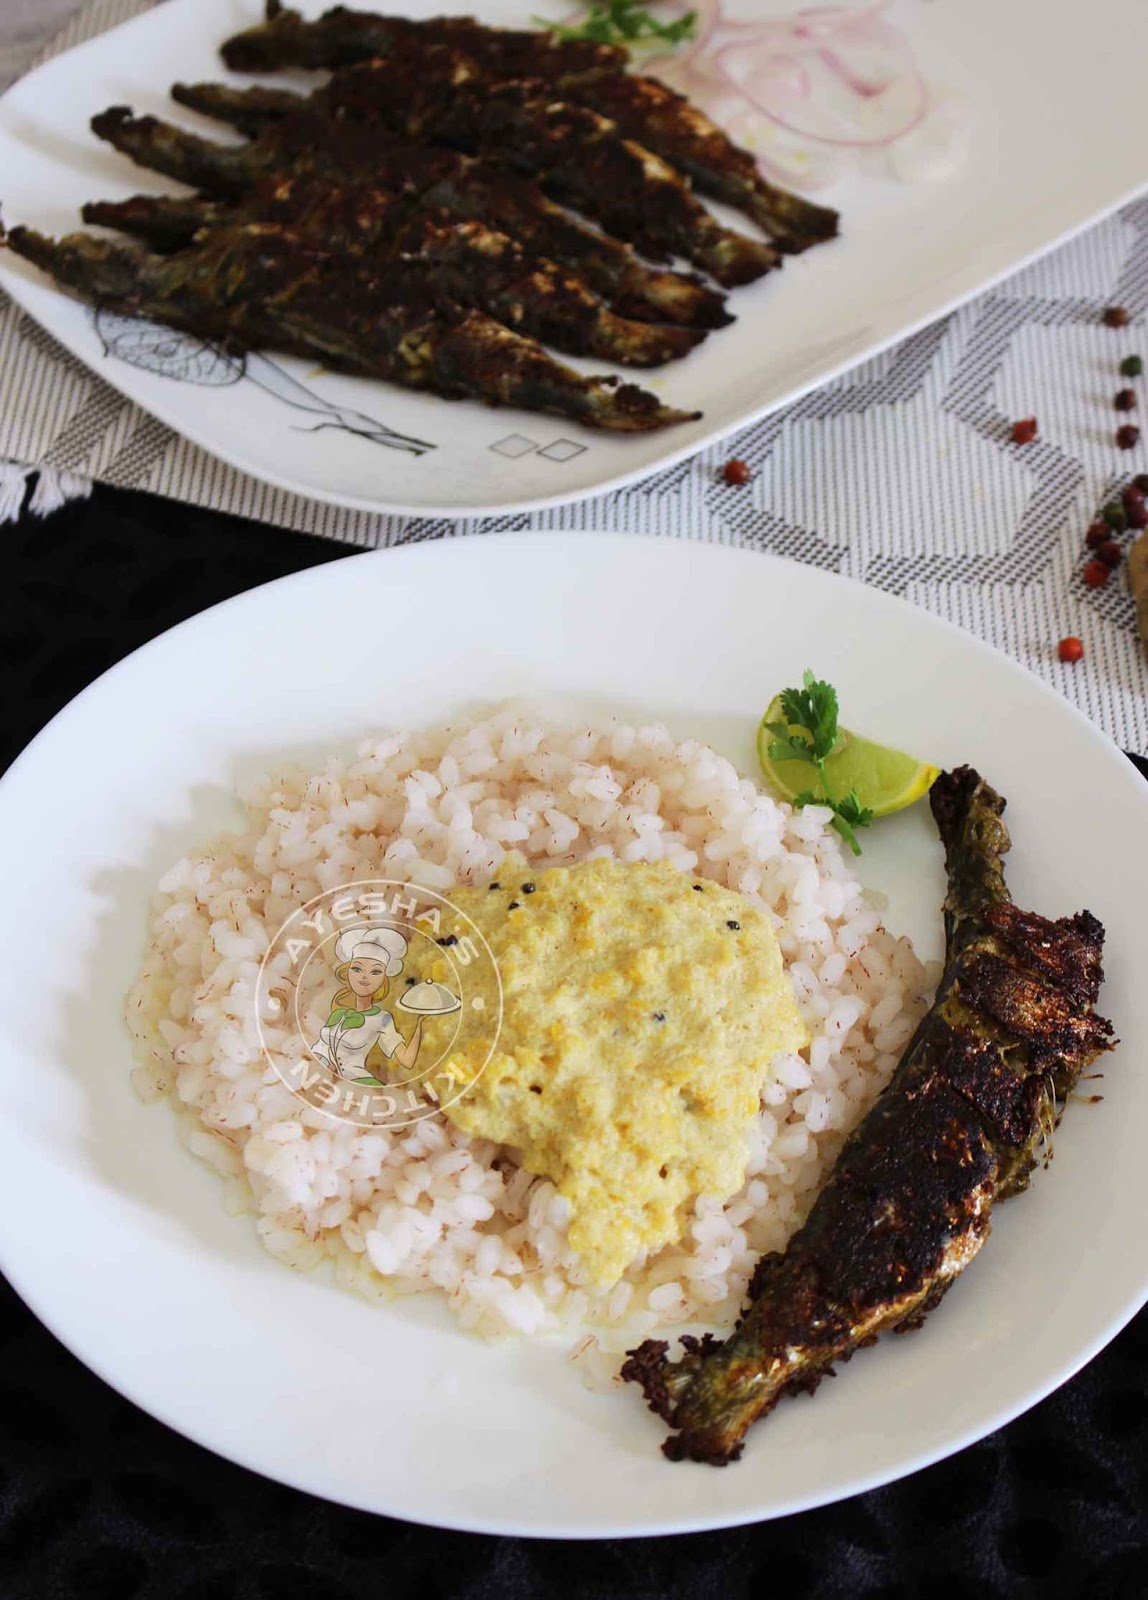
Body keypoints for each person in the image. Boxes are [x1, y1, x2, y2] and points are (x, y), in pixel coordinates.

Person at [310, 925, 424, 1085]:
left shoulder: (385, 1018)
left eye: (375, 972)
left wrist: (419, 1031)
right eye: (357, 969)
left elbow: (404, 1058)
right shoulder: (338, 1013)